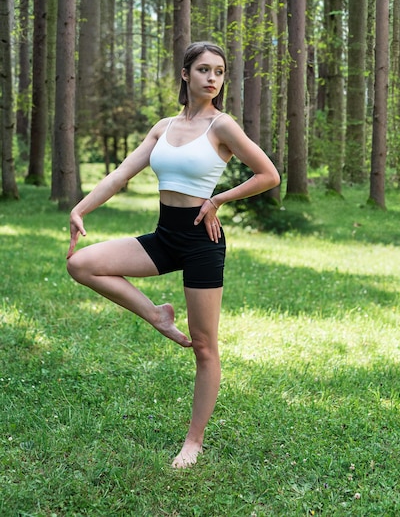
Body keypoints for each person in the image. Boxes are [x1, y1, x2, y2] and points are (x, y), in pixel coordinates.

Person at [66, 41, 280, 468]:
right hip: (165, 237)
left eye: (219, 71)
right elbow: (122, 174)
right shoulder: (163, 127)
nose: (212, 78)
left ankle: (194, 441)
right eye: (203, 69)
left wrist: (217, 200)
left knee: (204, 346)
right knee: (81, 263)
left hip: (202, 242)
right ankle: (157, 315)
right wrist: (80, 207)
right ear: (185, 74)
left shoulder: (223, 126)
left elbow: (268, 174)